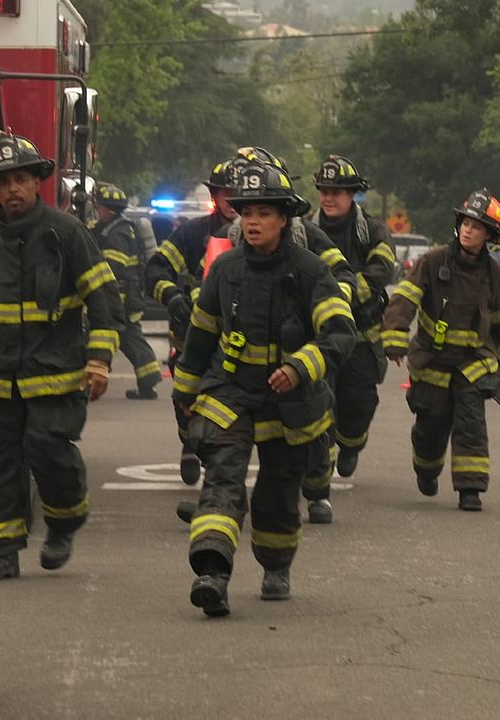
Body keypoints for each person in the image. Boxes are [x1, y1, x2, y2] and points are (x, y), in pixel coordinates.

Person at [172, 161, 357, 615]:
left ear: (284, 219)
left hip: (289, 404)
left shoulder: (310, 271)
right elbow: (200, 338)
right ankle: (212, 574)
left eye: (264, 213)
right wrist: (185, 396)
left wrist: (299, 366)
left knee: (277, 495)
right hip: (231, 393)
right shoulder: (224, 269)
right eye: (247, 212)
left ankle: (275, 565)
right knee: (222, 480)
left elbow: (339, 332)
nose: (252, 222)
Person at [0, 133, 125, 580]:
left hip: (55, 376)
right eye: (4, 182)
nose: (13, 189)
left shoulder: (66, 234)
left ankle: (64, 520)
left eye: (20, 179)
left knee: (48, 449)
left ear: (36, 182)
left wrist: (99, 361)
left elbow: (104, 299)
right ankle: (0, 551)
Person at [381, 188, 500, 511]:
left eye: (477, 226)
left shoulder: (494, 276)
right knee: (430, 429)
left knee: (471, 425)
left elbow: (499, 324)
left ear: (489, 235)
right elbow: (405, 298)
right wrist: (395, 336)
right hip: (433, 362)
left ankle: (470, 490)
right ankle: (426, 468)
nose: (468, 230)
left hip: (472, 365)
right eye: (466, 223)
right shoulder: (433, 262)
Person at [144, 156, 239, 485]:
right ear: (214, 196)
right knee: (187, 396)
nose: (232, 200)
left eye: (238, 193)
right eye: (225, 193)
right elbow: (155, 270)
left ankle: (216, 465)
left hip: (236, 338)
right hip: (191, 334)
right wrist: (172, 296)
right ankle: (189, 441)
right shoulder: (192, 233)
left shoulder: (257, 233)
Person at [311, 154, 396, 480]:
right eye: (324, 191)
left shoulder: (372, 230)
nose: (328, 198)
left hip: (361, 337)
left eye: (336, 192)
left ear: (352, 194)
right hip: (319, 335)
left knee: (359, 403)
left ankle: (350, 445)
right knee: (320, 400)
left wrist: (341, 295)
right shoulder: (305, 229)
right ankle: (322, 466)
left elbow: (382, 269)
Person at [93, 182, 163, 399]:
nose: (97, 211)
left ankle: (93, 377)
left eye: (100, 207)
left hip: (121, 297)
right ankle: (148, 380)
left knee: (120, 336)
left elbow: (113, 268)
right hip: (125, 296)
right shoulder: (115, 228)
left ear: (110, 210)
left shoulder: (118, 233)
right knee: (130, 338)